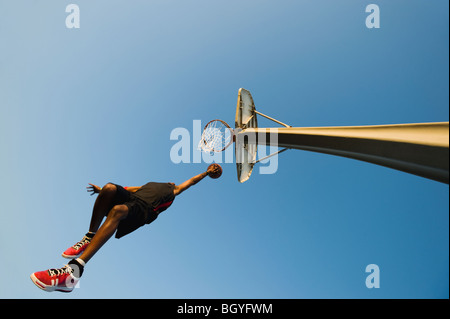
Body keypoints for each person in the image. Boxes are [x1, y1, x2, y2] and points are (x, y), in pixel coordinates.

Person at [30, 164, 222, 293]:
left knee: (118, 210)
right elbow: (130, 189)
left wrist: (206, 173)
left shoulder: (174, 190)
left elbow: (191, 182)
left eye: (173, 182)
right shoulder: (152, 184)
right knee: (110, 187)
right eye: (170, 181)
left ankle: (73, 272)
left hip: (143, 211)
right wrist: (101, 192)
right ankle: (89, 237)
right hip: (134, 198)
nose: (171, 182)